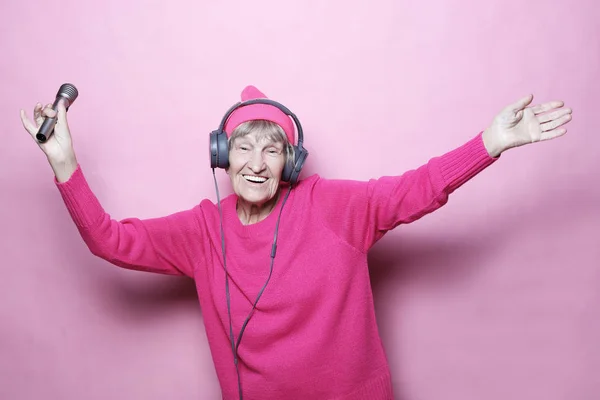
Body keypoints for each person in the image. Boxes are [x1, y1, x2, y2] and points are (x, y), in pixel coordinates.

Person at [20, 85, 572, 400]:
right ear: (221, 155)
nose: (256, 165)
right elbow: (111, 241)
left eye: (273, 150)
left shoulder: (332, 206)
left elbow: (414, 190)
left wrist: (491, 143)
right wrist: (65, 163)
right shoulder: (199, 233)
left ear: (291, 162)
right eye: (243, 148)